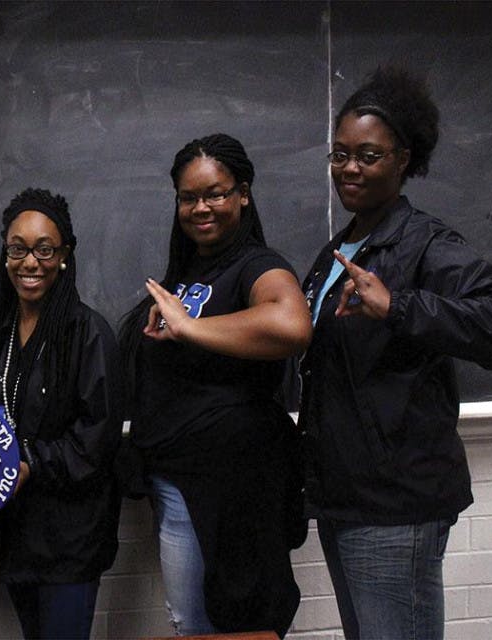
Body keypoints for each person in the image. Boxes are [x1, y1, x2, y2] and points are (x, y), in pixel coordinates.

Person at [299, 67, 492, 640]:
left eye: (368, 155)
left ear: (403, 160)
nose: (350, 168)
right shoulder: (338, 249)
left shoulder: (427, 244)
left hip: (396, 504)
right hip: (347, 497)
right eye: (339, 155)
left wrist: (401, 306)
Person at [119, 134, 312, 637]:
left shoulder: (257, 263)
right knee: (192, 623)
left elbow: (292, 324)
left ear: (243, 193)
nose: (200, 207)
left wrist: (190, 328)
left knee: (230, 624)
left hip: (233, 487)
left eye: (216, 193)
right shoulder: (187, 272)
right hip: (180, 479)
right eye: (188, 197)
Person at [0, 187, 123, 640]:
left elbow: (96, 439)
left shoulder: (88, 332)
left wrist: (31, 464)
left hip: (69, 540)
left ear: (63, 256)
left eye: (43, 249)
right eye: (17, 249)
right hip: (15, 532)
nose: (29, 262)